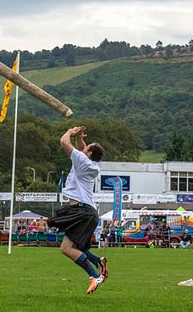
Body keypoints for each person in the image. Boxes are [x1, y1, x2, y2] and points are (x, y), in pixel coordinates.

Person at [47, 126, 107, 295]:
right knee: (75, 245)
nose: (84, 146)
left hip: (81, 211)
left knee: (66, 248)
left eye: (88, 146)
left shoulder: (83, 160)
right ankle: (98, 261)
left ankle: (94, 276)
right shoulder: (92, 163)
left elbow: (63, 141)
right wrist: (80, 138)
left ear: (89, 154)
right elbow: (82, 149)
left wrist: (70, 132)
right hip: (86, 211)